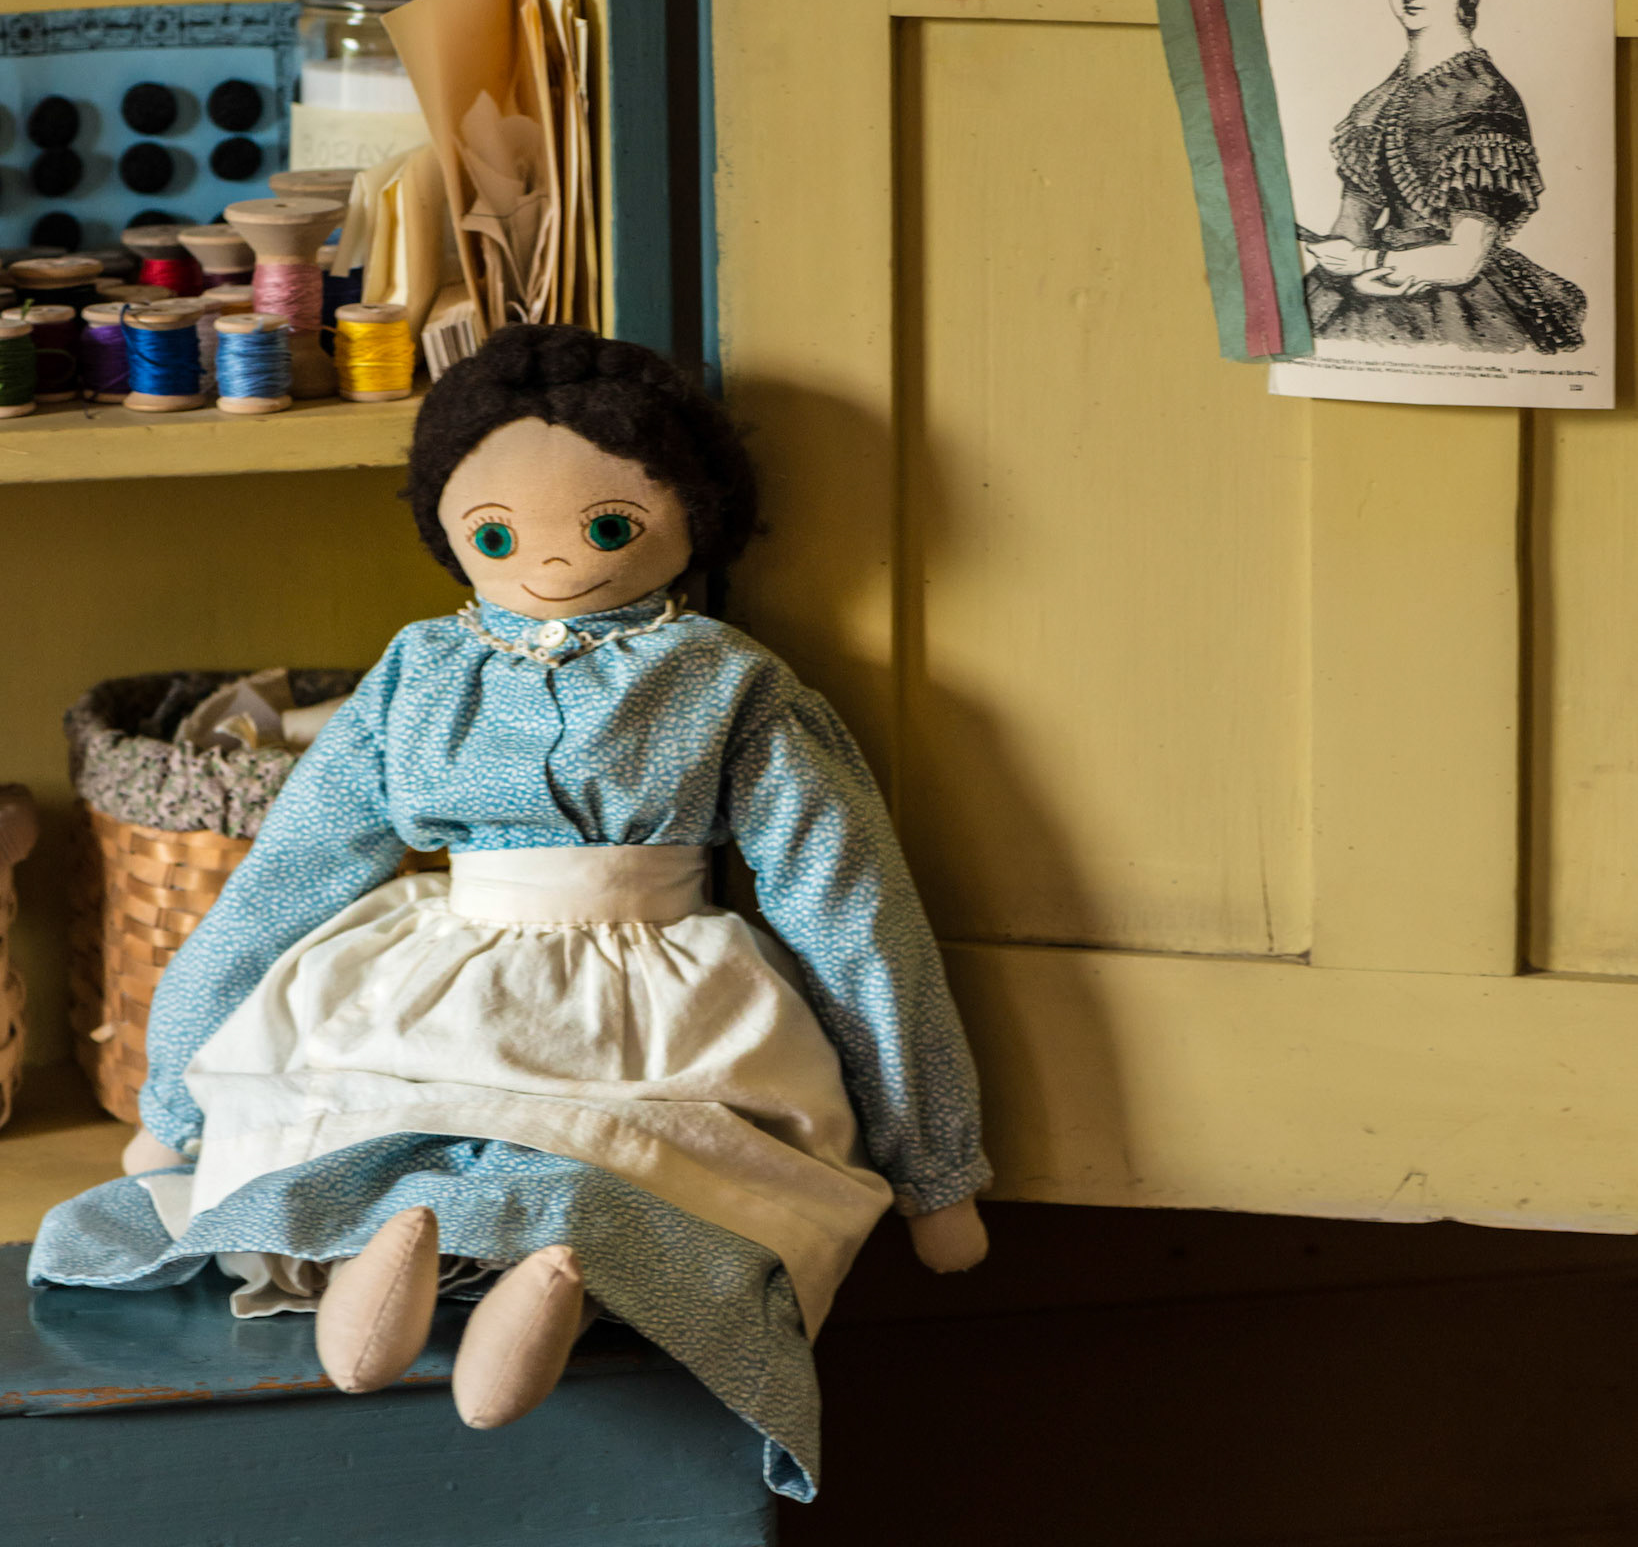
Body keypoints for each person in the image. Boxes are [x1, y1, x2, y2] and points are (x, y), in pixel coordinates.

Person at [30, 324, 990, 1502]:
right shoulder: (419, 668)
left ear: (695, 514)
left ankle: (554, 1276)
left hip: (655, 988)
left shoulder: (726, 681)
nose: (547, 563)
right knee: (381, 1118)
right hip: (440, 958)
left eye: (606, 527)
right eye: (494, 534)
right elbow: (296, 867)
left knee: (617, 1153)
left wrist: (932, 1157)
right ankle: (391, 1264)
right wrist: (177, 1082)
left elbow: (850, 907)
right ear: (451, 532)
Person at [1301, 0, 1585, 354]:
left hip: (1456, 301)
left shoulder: (1485, 98)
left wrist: (1370, 259)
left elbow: (1464, 259)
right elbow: (1351, 226)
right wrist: (1335, 255)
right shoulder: (1375, 102)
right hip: (1367, 285)